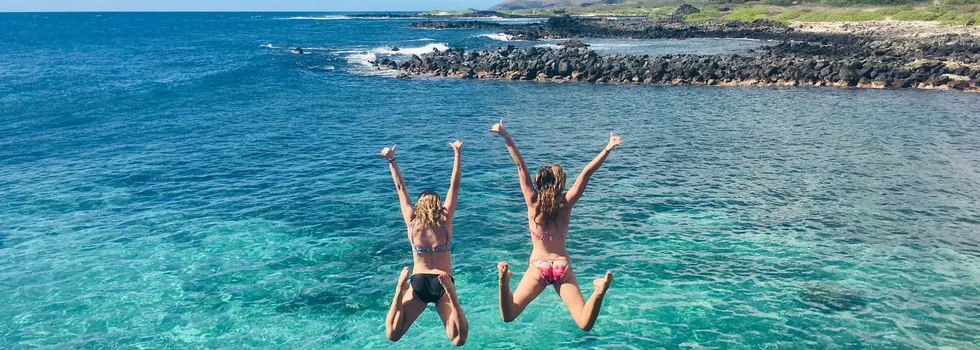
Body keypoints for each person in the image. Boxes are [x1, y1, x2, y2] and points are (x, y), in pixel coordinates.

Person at [490, 119, 619, 331]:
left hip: (538, 266)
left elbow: (520, 165)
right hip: (561, 266)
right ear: (561, 184)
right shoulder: (566, 203)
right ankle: (598, 291)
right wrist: (607, 148)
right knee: (584, 323)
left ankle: (503, 283)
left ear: (539, 182)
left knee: (509, 315)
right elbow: (586, 173)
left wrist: (505, 135)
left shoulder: (532, 201)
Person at [380, 141, 468, 346]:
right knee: (458, 339)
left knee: (392, 334)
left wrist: (391, 160)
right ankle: (453, 296)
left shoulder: (412, 222)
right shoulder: (444, 221)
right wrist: (457, 153)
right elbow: (454, 186)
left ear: (419, 205)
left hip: (417, 281)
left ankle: (399, 289)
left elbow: (400, 188)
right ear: (438, 205)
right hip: (444, 282)